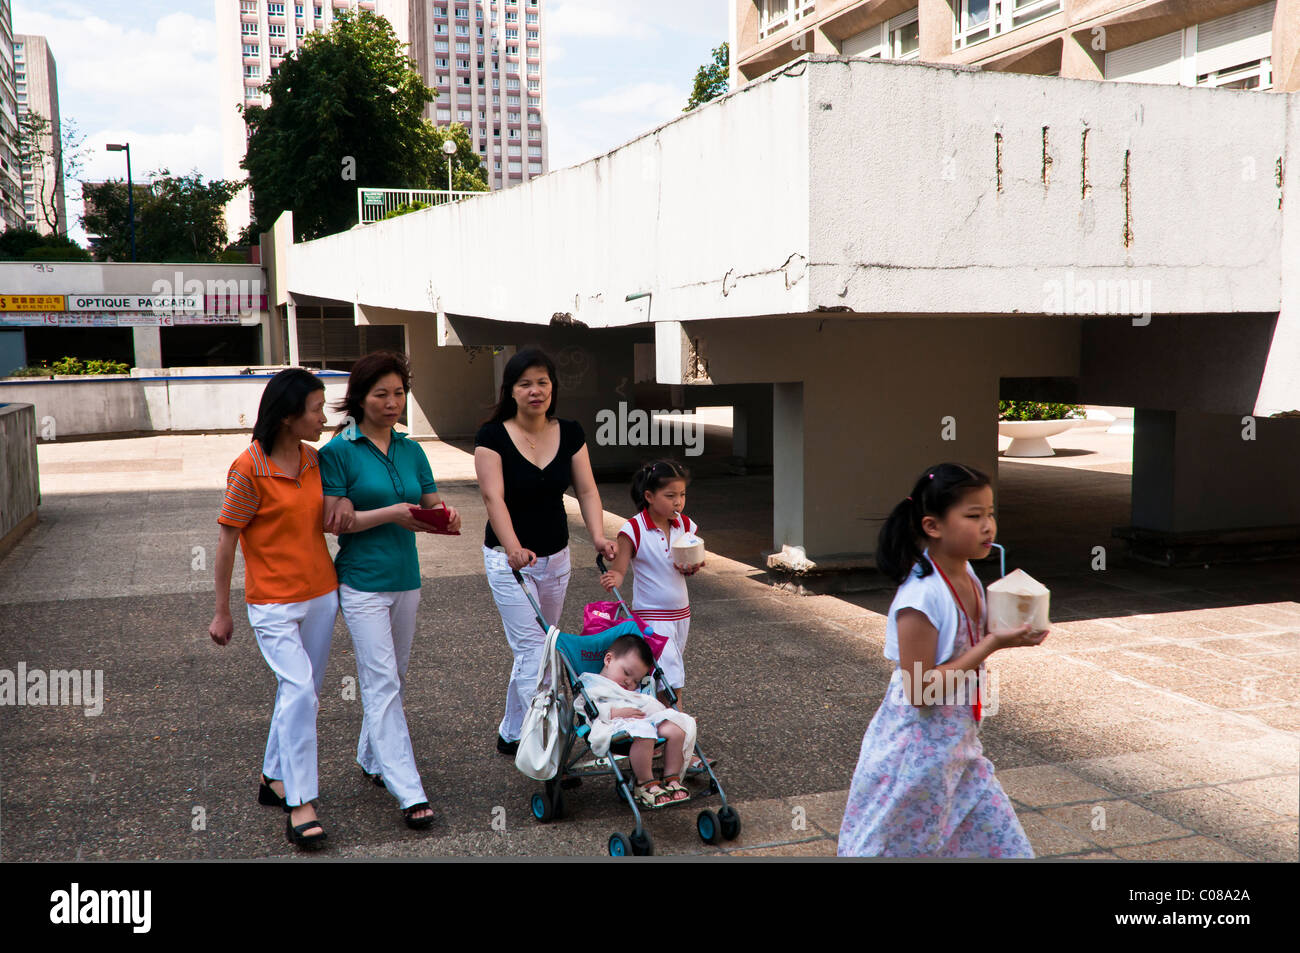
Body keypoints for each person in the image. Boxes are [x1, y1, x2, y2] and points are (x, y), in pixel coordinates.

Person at [838, 462, 1048, 858]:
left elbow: (975, 635)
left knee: (1008, 851)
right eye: (973, 515)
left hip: (960, 753)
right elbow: (919, 690)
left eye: (990, 513)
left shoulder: (967, 573)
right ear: (933, 526)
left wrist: (1018, 619)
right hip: (913, 763)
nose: (988, 526)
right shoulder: (921, 598)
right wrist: (992, 644)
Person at [317, 351, 461, 830]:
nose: (392, 402)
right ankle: (409, 789)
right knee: (381, 682)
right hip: (361, 583)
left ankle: (371, 757)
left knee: (391, 678)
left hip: (406, 579)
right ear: (359, 398)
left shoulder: (412, 449)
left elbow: (428, 510)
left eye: (399, 392)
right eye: (381, 394)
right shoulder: (338, 452)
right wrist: (394, 513)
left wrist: (445, 517)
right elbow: (336, 521)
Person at [209, 368, 339, 850]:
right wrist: (222, 610)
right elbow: (226, 542)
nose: (323, 418)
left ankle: (272, 776)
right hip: (272, 603)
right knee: (301, 690)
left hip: (323, 595)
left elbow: (330, 517)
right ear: (288, 417)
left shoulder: (314, 461)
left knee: (300, 693)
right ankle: (301, 802)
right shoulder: (248, 468)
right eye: (316, 410)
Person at [474, 348, 617, 755]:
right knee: (535, 652)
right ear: (511, 390)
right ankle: (546, 748)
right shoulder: (492, 436)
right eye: (525, 384)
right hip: (510, 563)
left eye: (542, 382)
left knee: (541, 647)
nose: (535, 391)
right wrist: (514, 547)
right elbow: (492, 498)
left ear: (553, 387)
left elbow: (587, 490)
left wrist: (599, 536)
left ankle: (511, 730)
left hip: (557, 558)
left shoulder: (569, 431)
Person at [599, 460, 703, 706]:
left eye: (682, 494)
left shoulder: (685, 525)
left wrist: (693, 566)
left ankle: (654, 724)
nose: (678, 502)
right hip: (653, 617)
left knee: (662, 671)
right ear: (649, 496)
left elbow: (690, 562)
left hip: (682, 614)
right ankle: (674, 727)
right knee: (671, 678)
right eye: (670, 496)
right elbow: (621, 568)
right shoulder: (634, 529)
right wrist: (615, 577)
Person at [576, 634, 697, 808]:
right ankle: (644, 783)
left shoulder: (629, 690)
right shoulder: (592, 684)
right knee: (644, 731)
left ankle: (672, 777)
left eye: (636, 681)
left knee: (677, 729)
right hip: (614, 724)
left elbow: (642, 702)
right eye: (626, 673)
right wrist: (615, 712)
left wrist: (665, 714)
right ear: (608, 659)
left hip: (639, 719)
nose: (629, 682)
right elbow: (584, 706)